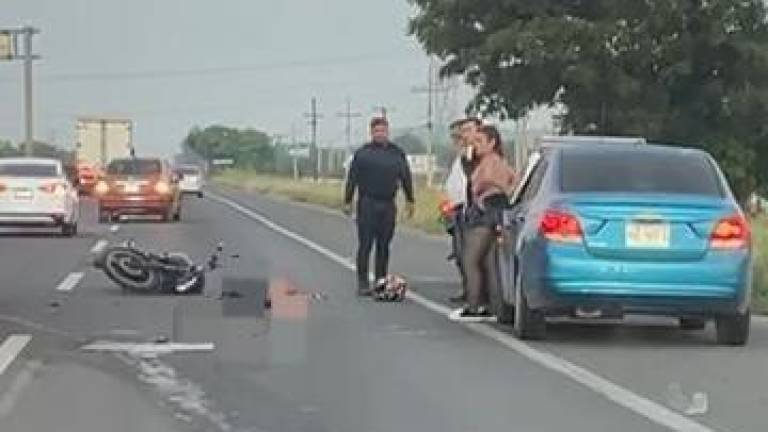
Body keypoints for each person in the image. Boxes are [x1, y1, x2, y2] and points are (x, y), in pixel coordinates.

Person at [344, 117, 415, 296]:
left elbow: (405, 176)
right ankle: (362, 282)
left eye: (383, 131)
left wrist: (410, 199)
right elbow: (352, 178)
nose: (380, 134)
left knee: (384, 245)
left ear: (388, 131)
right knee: (365, 244)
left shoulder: (396, 153)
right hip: (367, 202)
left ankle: (380, 280)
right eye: (377, 131)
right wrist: (348, 200)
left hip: (388, 203)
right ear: (371, 132)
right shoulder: (362, 154)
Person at [451, 124, 516, 320]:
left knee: (470, 259)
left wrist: (484, 189)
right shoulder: (492, 161)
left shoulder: (491, 162)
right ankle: (495, 307)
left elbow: (495, 183)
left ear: (492, 143)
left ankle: (474, 305)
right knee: (489, 262)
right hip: (492, 212)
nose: (475, 145)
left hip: (486, 214)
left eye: (479, 141)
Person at [443, 117, 482, 302]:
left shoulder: (478, 155)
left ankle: (476, 294)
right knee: (460, 253)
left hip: (472, 210)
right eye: (462, 131)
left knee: (469, 255)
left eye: (468, 130)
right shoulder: (463, 155)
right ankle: (468, 289)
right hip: (458, 208)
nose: (463, 135)